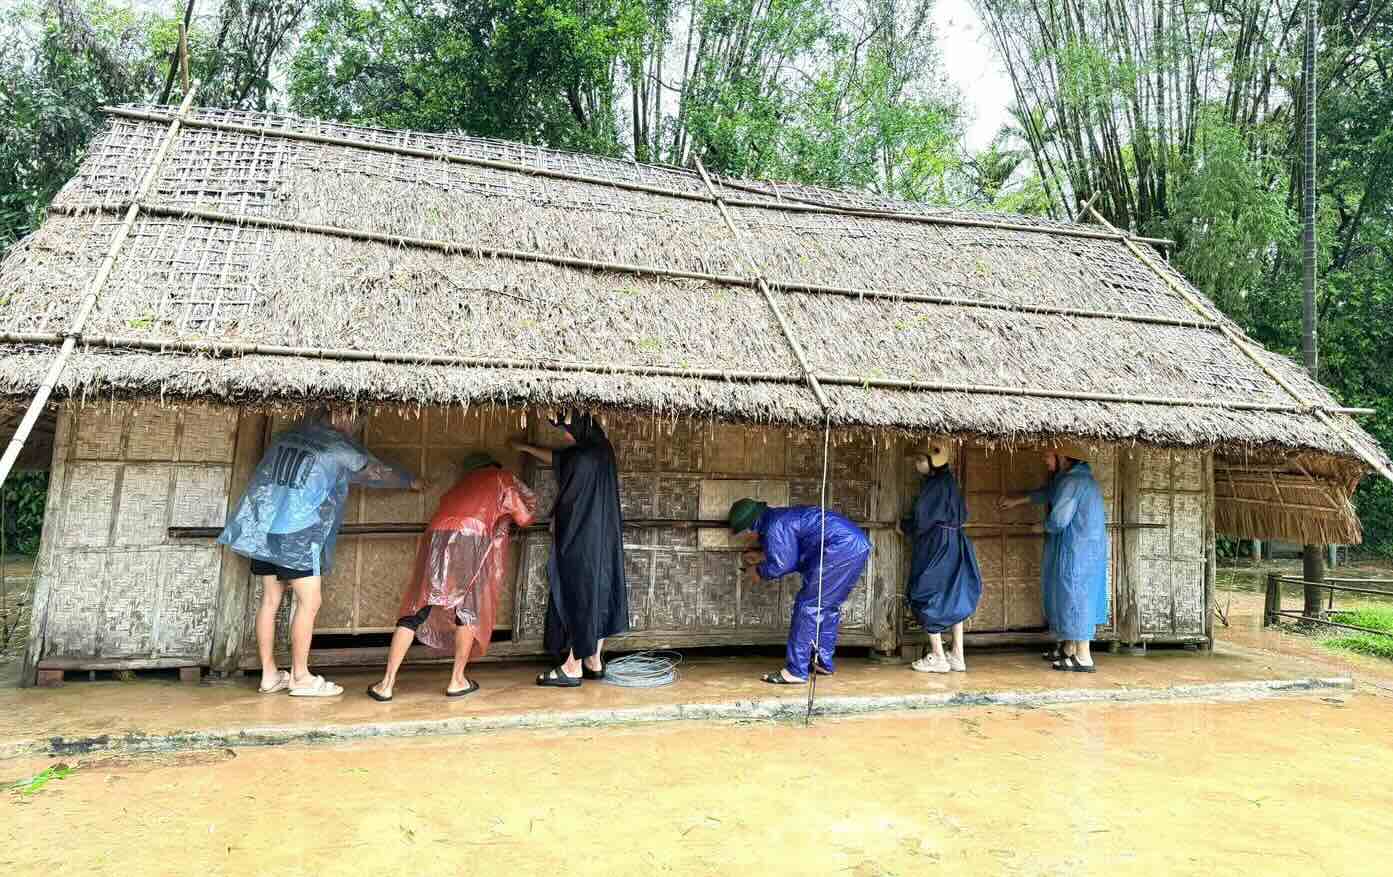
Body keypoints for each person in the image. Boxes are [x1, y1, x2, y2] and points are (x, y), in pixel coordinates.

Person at [219, 408, 424, 697]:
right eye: (356, 420)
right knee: (310, 602)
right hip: (298, 531)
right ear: (342, 416)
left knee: (270, 600)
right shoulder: (339, 447)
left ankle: (269, 675)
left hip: (264, 526)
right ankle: (300, 677)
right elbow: (376, 473)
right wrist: (409, 481)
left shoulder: (287, 436)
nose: (355, 427)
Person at [368, 453, 537, 702]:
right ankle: (457, 680)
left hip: (436, 535)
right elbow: (525, 518)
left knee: (418, 607)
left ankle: (386, 683)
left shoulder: (458, 487)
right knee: (467, 609)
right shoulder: (501, 477)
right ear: (493, 465)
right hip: (471, 536)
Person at [511, 410, 628, 687]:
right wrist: (526, 446)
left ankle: (572, 666)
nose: (564, 436)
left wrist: (556, 519)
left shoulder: (582, 457)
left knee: (580, 594)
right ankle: (593, 660)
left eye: (566, 430)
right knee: (598, 591)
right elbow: (560, 459)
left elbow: (570, 500)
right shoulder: (602, 450)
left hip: (583, 538)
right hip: (605, 536)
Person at [728, 498, 872, 685]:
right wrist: (763, 556)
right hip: (854, 544)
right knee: (826, 606)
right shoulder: (778, 518)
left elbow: (782, 564)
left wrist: (758, 571)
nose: (744, 539)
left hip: (839, 547)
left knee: (808, 606)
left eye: (742, 534)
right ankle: (822, 661)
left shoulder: (774, 525)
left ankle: (795, 671)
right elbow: (795, 555)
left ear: (750, 528)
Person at [998, 442, 1108, 672]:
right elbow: (1049, 493)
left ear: (1064, 457)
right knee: (1074, 595)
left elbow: (1059, 520)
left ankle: (1084, 657)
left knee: (1076, 597)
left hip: (1078, 549)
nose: (1045, 462)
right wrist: (1019, 500)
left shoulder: (1072, 481)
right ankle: (1069, 649)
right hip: (1085, 549)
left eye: (1049, 457)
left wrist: (1041, 526)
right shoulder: (1074, 479)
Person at [903, 441, 982, 673]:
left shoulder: (935, 485)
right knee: (953, 594)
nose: (917, 465)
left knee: (926, 592)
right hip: (955, 542)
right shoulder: (949, 482)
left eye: (920, 460)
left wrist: (904, 526)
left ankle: (938, 655)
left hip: (937, 544)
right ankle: (958, 654)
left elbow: (921, 521)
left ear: (932, 462)